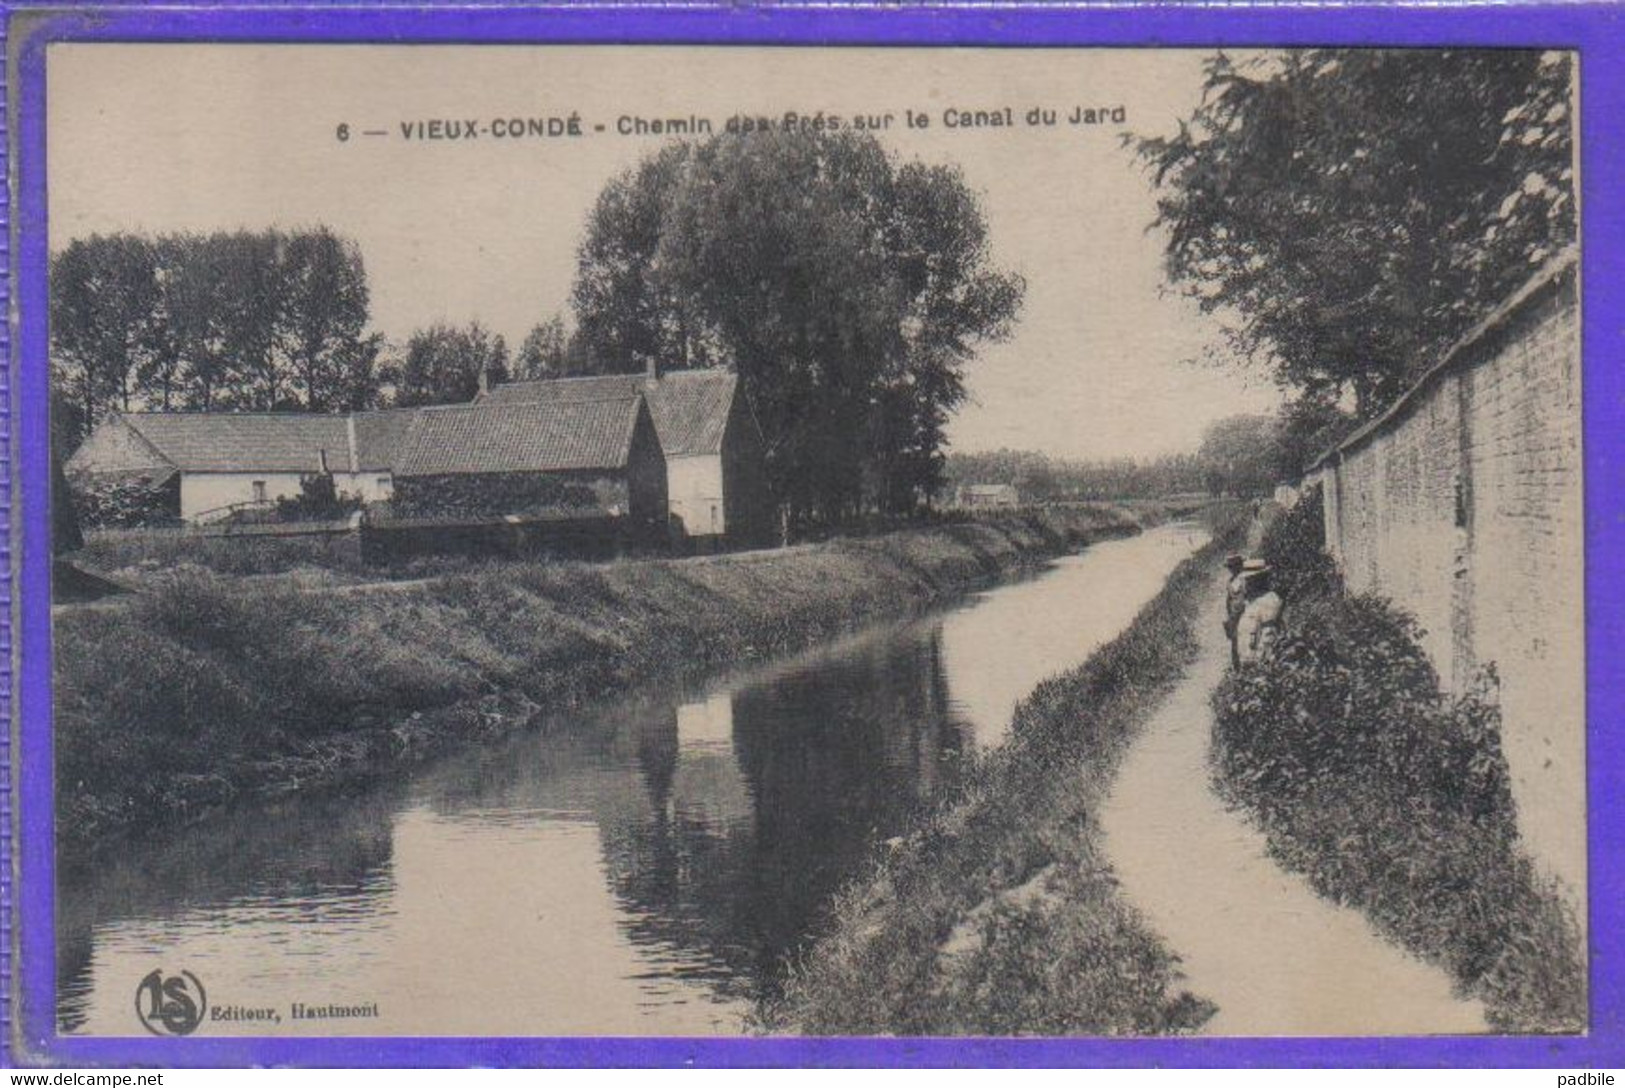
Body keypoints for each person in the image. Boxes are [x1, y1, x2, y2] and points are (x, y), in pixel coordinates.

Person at [1235, 561, 1284, 664]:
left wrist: (1259, 661)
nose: (1246, 583)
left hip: (1261, 663)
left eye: (1250, 579)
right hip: (1248, 661)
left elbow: (1269, 634)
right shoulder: (1251, 602)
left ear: (1259, 580)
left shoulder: (1269, 599)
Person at [1222, 553, 1248, 667]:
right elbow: (1228, 599)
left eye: (1235, 566)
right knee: (1234, 641)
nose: (1232, 569)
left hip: (1245, 612)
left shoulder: (1246, 578)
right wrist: (1228, 616)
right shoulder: (1230, 582)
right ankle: (1236, 665)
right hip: (1234, 614)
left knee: (1244, 639)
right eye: (1230, 567)